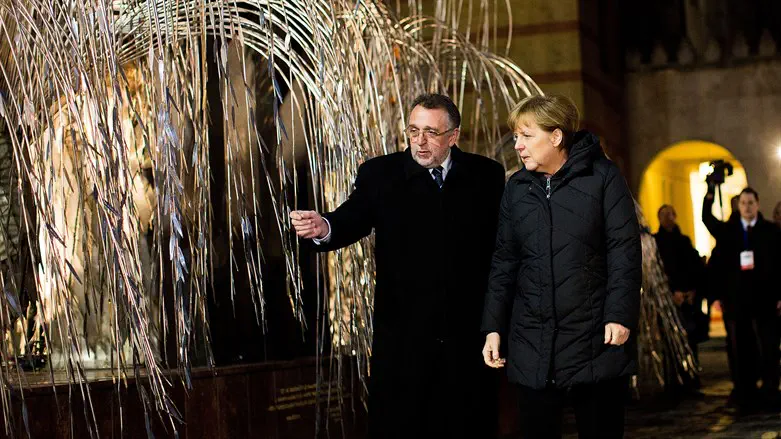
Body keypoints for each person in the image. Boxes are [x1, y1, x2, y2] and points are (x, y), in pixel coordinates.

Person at [290, 93, 505, 438]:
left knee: (468, 423)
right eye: (413, 130)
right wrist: (324, 226)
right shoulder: (381, 174)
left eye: (431, 133)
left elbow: (503, 248)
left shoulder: (486, 175)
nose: (420, 141)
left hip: (466, 336)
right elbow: (353, 217)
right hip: (404, 337)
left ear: (454, 136)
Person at [481, 95, 641, 439]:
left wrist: (619, 315)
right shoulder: (516, 189)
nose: (518, 146)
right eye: (515, 137)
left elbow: (624, 251)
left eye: (526, 136)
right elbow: (504, 261)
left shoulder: (603, 177)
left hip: (595, 336)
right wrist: (493, 327)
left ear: (556, 137)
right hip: (532, 340)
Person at [702, 186, 781, 413]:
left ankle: (770, 391)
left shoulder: (770, 232)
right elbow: (716, 266)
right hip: (737, 302)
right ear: (739, 205)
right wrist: (715, 296)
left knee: (768, 347)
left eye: (751, 203)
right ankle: (745, 392)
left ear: (757, 205)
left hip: (765, 300)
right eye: (743, 203)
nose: (747, 207)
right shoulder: (728, 232)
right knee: (741, 348)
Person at [654, 205, 708, 362]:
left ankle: (692, 375)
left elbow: (694, 268)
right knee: (670, 341)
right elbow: (659, 272)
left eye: (670, 214)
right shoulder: (656, 242)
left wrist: (691, 291)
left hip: (687, 298)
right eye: (663, 214)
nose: (668, 217)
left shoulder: (684, 241)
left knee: (690, 338)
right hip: (668, 299)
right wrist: (671, 292)